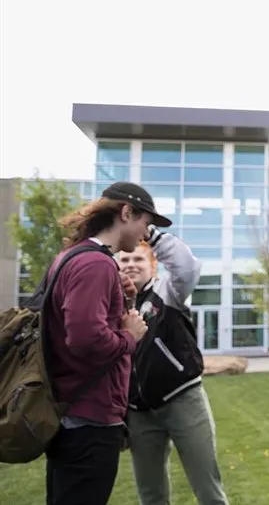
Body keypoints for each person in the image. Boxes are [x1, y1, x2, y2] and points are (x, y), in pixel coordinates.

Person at [44, 182, 167, 505]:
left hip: (69, 414)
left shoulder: (71, 257)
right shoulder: (96, 264)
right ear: (126, 213)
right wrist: (130, 337)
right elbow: (84, 339)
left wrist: (119, 297)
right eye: (145, 223)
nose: (145, 234)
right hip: (89, 419)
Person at [115, 225, 229, 505]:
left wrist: (149, 232)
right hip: (139, 412)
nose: (131, 265)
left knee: (208, 489)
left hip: (183, 401)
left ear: (153, 264)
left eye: (138, 259)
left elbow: (187, 267)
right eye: (125, 260)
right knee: (151, 495)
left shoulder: (168, 292)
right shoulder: (111, 306)